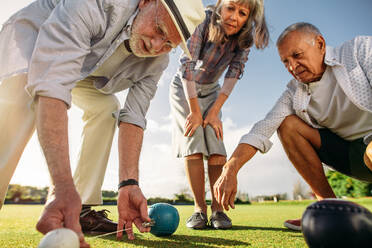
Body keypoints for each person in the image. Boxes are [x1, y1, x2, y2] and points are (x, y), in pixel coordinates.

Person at [0, 0, 205, 246]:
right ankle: (63, 198)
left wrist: (128, 183)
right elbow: (53, 85)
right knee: (22, 104)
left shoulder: (157, 61)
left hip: (84, 70)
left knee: (106, 108)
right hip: (34, 40)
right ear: (146, 2)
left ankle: (83, 209)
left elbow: (134, 117)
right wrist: (62, 186)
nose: (156, 45)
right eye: (159, 29)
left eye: (169, 43)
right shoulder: (97, 4)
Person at [213, 22, 372, 232]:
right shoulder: (293, 93)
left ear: (320, 44)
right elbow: (262, 128)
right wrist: (230, 168)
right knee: (286, 124)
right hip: (351, 156)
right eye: (285, 62)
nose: (292, 67)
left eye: (297, 55)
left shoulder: (359, 50)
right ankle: (329, 210)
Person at [169, 0, 269, 230]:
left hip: (213, 90)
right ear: (220, 7)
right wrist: (195, 111)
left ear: (248, 18)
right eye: (230, 8)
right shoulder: (203, 20)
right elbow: (187, 66)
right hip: (185, 87)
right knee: (193, 137)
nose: (234, 16)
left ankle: (218, 210)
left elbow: (235, 72)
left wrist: (214, 112)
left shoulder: (244, 39)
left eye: (242, 13)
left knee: (214, 139)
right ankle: (199, 210)